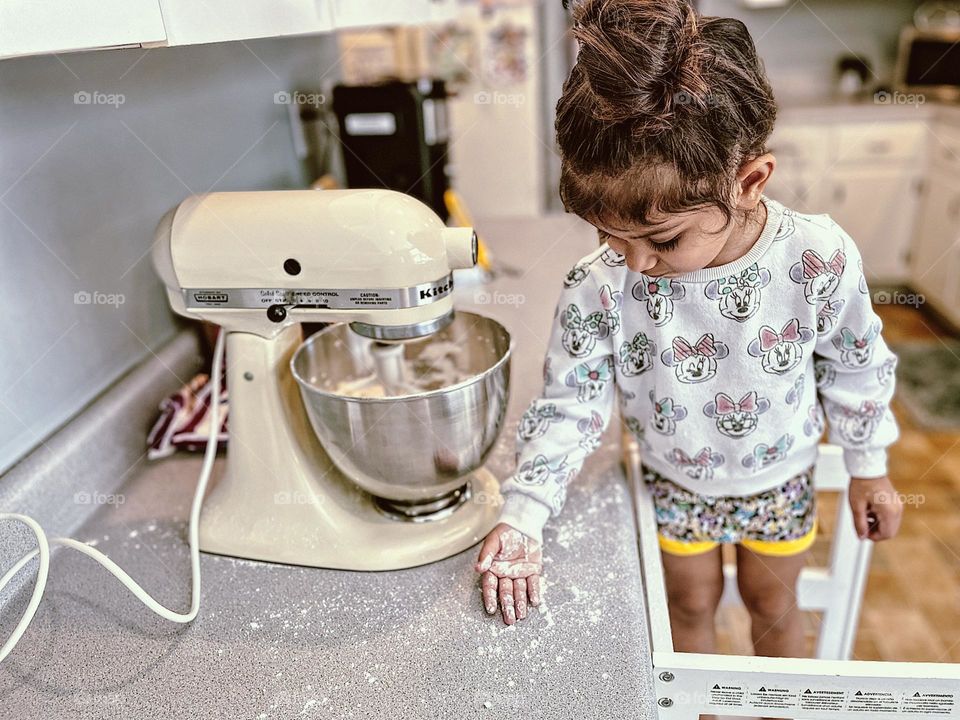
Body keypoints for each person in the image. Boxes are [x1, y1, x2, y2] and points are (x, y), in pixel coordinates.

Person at [473, 0, 903, 674]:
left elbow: (855, 366)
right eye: (608, 234)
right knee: (690, 605)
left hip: (780, 476)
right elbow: (571, 405)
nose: (635, 261)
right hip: (674, 479)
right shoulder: (600, 283)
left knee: (774, 604)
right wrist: (524, 514)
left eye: (663, 239)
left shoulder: (817, 256)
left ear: (749, 182)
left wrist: (868, 465)